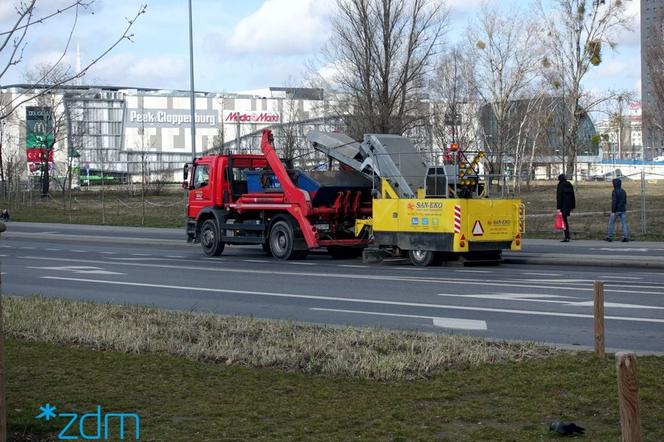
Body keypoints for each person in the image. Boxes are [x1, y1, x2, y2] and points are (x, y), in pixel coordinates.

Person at [606, 178, 628, 242]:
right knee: (624, 224)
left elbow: (614, 202)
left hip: (616, 210)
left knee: (611, 223)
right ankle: (625, 237)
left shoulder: (614, 191)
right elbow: (625, 201)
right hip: (623, 209)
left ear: (614, 184)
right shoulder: (623, 191)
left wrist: (613, 211)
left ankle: (609, 237)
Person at [556, 174, 575, 242]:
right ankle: (567, 235)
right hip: (569, 205)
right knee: (565, 220)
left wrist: (558, 208)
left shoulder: (560, 185)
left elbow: (559, 197)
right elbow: (573, 195)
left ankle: (567, 236)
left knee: (564, 221)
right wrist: (573, 206)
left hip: (563, 206)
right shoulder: (569, 184)